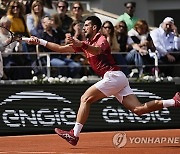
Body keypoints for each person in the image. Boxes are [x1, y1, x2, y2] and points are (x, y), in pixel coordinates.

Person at [27, 16, 180, 146]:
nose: (84, 28)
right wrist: (39, 41)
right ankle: (174, 101)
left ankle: (74, 134)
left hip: (113, 76)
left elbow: (97, 50)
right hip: (118, 79)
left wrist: (81, 44)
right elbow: (60, 49)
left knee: (85, 98)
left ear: (94, 27)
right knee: (139, 110)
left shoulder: (102, 39)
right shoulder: (86, 43)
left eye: (86, 25)